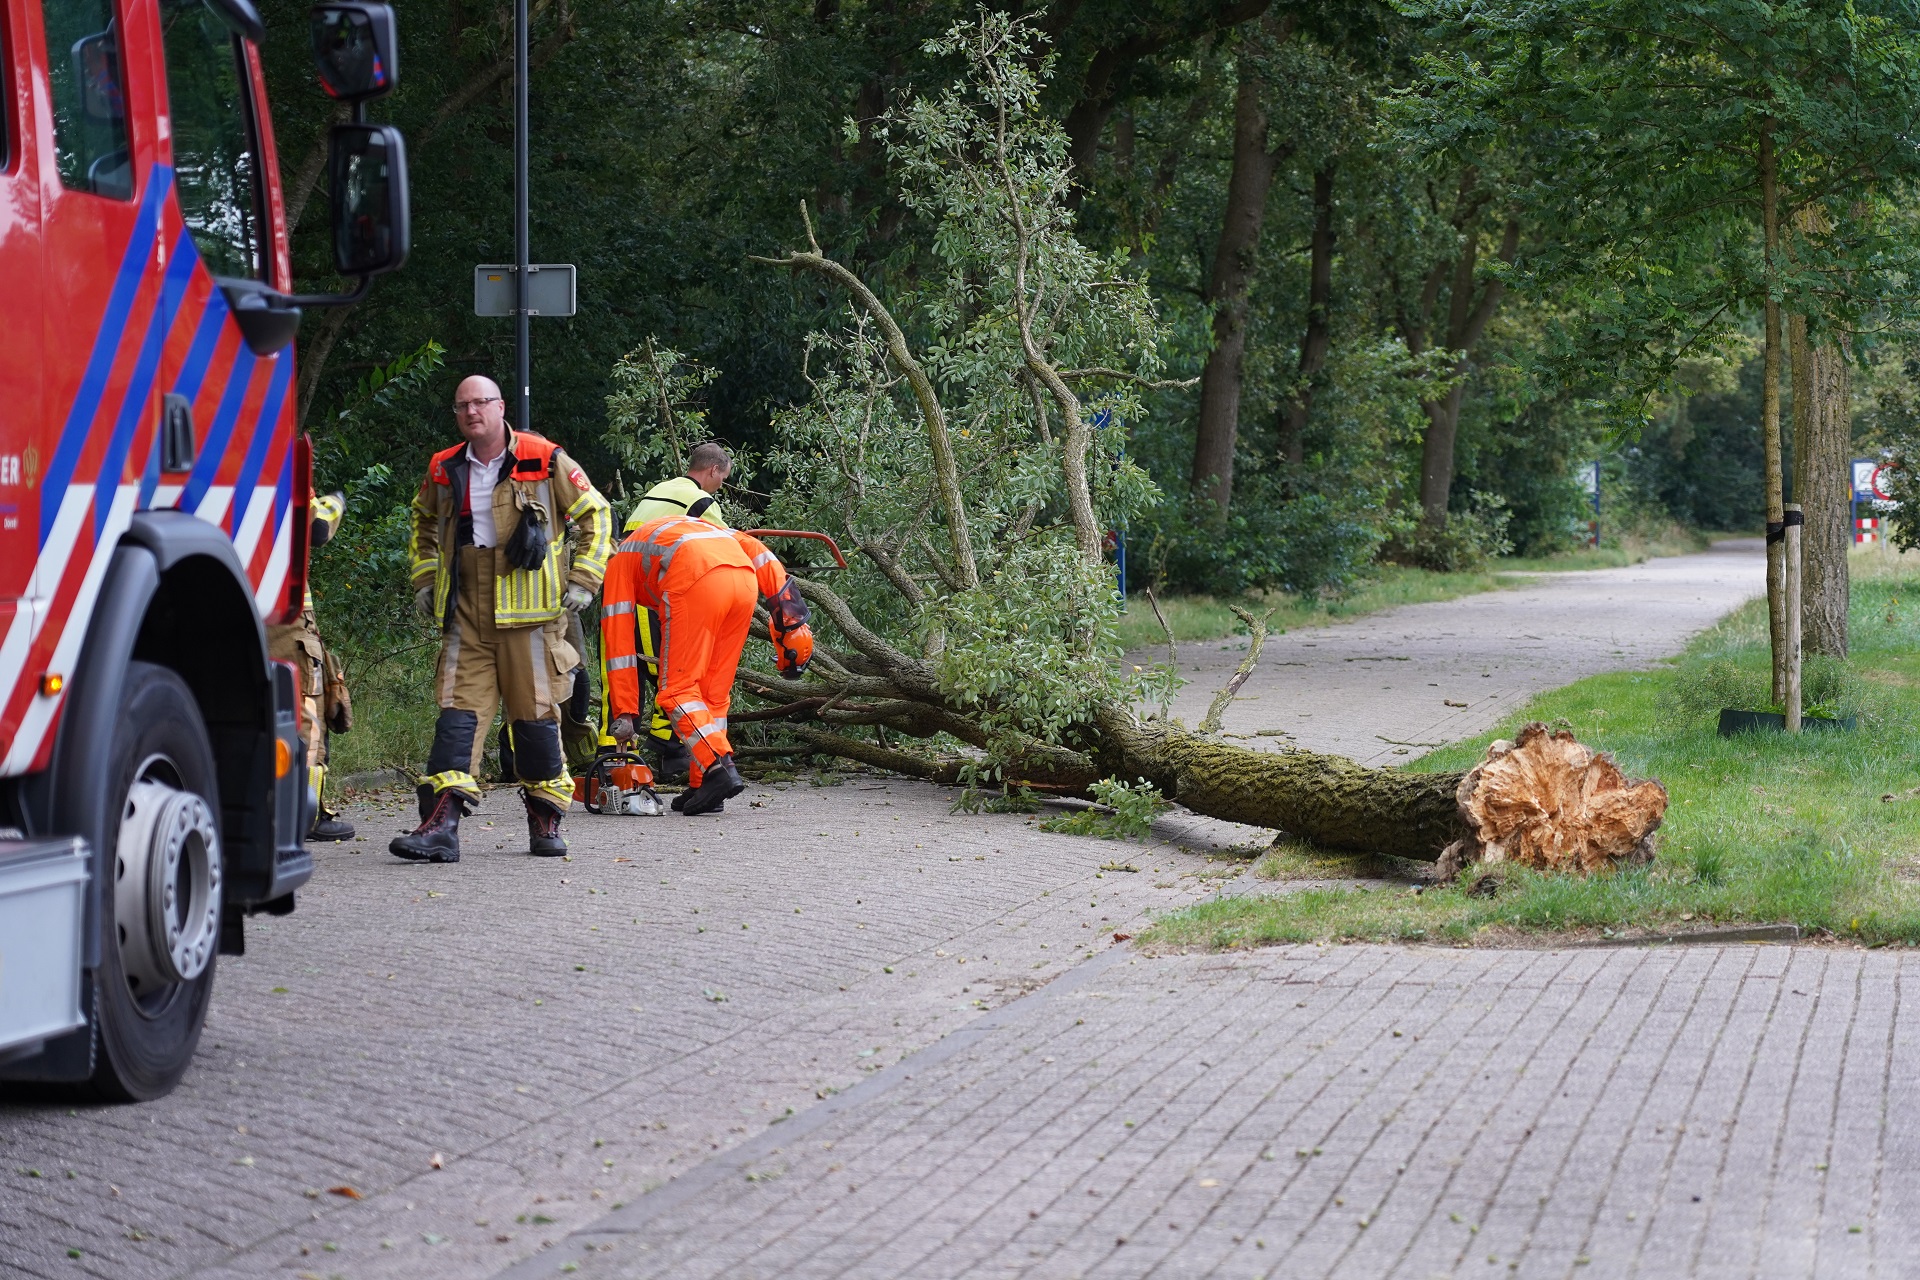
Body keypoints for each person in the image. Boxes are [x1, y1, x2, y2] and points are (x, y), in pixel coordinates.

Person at [391, 375, 613, 862]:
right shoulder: (444, 466)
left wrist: (584, 578)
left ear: (500, 407)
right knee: (457, 717)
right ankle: (440, 826)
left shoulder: (544, 458)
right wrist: (425, 579)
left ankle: (545, 820)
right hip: (466, 613)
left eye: (480, 403)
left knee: (535, 723)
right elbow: (422, 520)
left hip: (531, 619)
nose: (471, 412)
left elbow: (596, 514)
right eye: (462, 406)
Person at [599, 514, 814, 815]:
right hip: (743, 584)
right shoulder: (688, 527)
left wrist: (625, 711)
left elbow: (619, 641)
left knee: (676, 691)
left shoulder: (618, 561)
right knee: (713, 694)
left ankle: (717, 767)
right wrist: (790, 620)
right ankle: (704, 784)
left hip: (694, 579)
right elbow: (758, 551)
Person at [611, 442, 733, 782]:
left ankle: (649, 752)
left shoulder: (661, 490)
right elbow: (725, 548)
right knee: (672, 674)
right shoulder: (700, 501)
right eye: (722, 478)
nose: (720, 486)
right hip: (653, 594)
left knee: (637, 673)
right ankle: (668, 753)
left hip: (629, 589)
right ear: (713, 470)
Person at [267, 491, 354, 842]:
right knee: (306, 714)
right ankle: (305, 813)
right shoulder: (279, 467)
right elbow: (317, 527)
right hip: (284, 619)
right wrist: (337, 501)